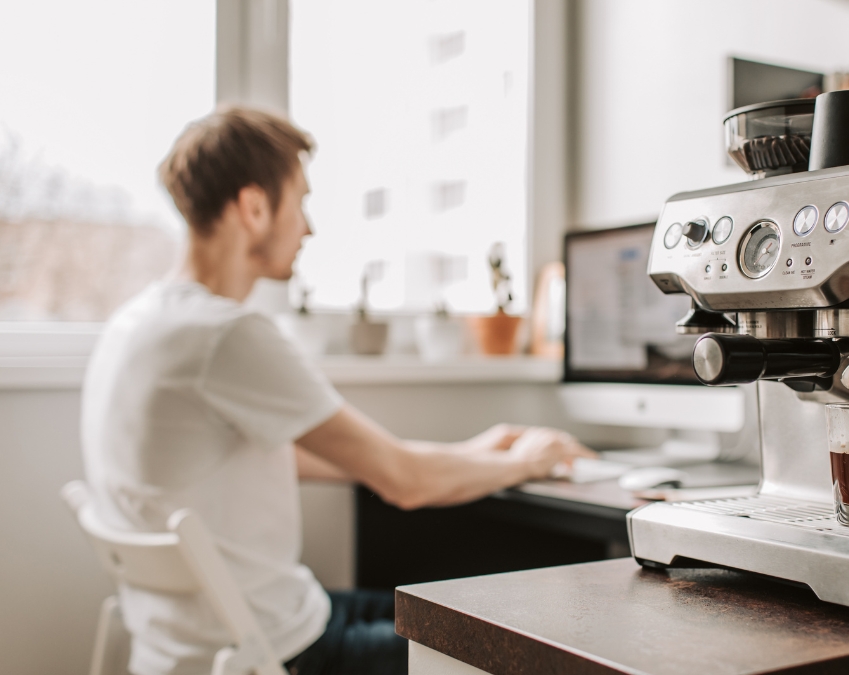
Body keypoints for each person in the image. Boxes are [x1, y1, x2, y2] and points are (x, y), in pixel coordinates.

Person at [80, 106, 592, 675]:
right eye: (300, 201)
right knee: (521, 651)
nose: (308, 227)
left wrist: (479, 449)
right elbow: (403, 481)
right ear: (253, 207)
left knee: (442, 611)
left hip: (188, 644)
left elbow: (304, 460)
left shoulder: (138, 324)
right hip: (278, 652)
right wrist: (521, 463)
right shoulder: (225, 335)